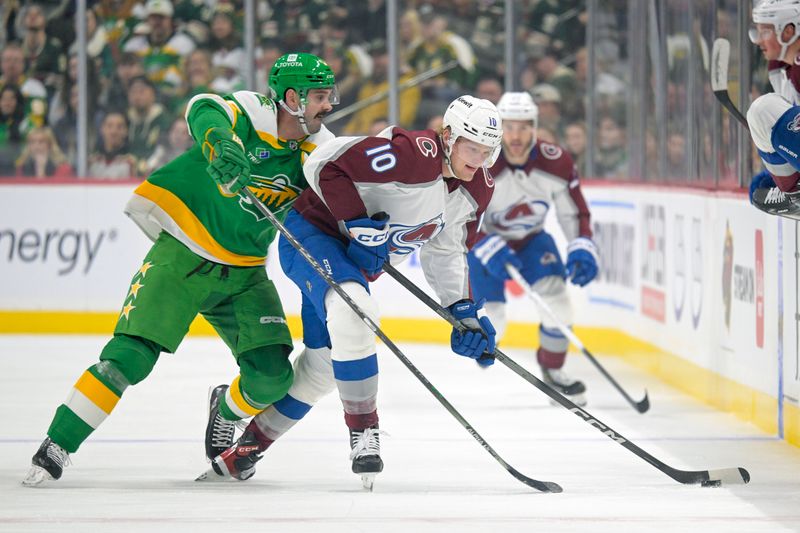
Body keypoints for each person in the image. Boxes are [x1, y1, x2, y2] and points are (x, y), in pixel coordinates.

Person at [22, 53, 339, 485]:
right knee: (128, 358)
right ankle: (58, 443)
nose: (329, 105)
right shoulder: (253, 111)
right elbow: (202, 107)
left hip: (244, 273)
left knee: (272, 377)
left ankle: (224, 408)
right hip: (184, 253)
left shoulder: (318, 151)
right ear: (291, 98)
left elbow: (338, 198)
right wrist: (219, 143)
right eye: (320, 96)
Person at [205, 95, 502, 486]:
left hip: (351, 264)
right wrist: (357, 223)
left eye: (487, 151)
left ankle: (245, 450)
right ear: (448, 136)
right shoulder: (413, 153)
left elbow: (446, 248)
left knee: (324, 368)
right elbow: (326, 166)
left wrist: (461, 308)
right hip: (311, 235)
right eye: (471, 147)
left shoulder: (477, 187)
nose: (478, 160)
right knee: (356, 311)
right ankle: (364, 431)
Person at [467, 91, 598, 406]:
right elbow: (459, 216)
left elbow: (574, 211)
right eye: (509, 127)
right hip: (484, 242)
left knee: (559, 305)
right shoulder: (480, 162)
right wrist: (484, 243)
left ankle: (553, 371)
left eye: (524, 127)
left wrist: (581, 245)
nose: (515, 135)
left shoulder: (557, 161)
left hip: (532, 241)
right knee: (493, 321)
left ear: (535, 127)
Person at [745, 0, 800, 219]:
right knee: (760, 188)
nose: (758, 41)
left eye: (765, 32)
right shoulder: (781, 68)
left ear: (788, 31)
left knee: (763, 111)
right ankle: (794, 192)